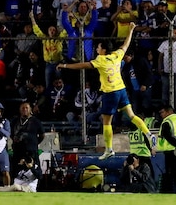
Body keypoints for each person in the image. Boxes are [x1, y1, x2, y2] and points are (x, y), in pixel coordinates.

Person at [57, 22, 154, 160]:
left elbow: (83, 65)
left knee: (106, 122)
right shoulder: (116, 55)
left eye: (98, 47)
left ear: (103, 49)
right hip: (121, 90)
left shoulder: (100, 60)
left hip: (110, 93)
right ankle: (149, 134)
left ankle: (109, 149)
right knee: (132, 115)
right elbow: (126, 45)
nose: (97, 48)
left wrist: (65, 65)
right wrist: (131, 29)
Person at [156, 104, 176, 193]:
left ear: (169, 111)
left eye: (162, 112)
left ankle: (169, 192)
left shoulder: (167, 122)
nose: (161, 114)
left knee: (170, 174)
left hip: (170, 152)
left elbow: (167, 136)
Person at [10, 102, 45, 176]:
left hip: (32, 152)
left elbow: (42, 135)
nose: (24, 109)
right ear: (19, 110)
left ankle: (33, 186)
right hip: (18, 151)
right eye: (23, 108)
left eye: (26, 108)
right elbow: (11, 134)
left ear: (30, 109)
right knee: (16, 172)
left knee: (35, 172)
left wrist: (35, 142)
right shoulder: (14, 121)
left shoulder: (36, 121)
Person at [157, 27, 176, 107]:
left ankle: (174, 108)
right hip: (166, 72)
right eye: (171, 33)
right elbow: (160, 57)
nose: (173, 35)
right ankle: (164, 108)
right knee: (165, 91)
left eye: (175, 33)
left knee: (175, 91)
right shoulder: (164, 43)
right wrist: (159, 68)